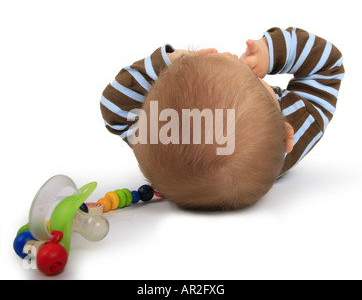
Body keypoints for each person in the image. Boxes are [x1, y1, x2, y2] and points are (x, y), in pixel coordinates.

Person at [100, 27, 344, 210]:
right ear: (286, 135)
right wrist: (273, 52)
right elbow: (328, 66)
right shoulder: (293, 131)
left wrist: (164, 63)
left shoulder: (155, 139)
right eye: (253, 78)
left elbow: (113, 106)